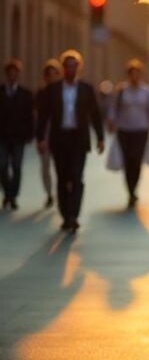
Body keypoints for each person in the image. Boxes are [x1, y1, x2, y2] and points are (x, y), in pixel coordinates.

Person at [36, 50, 104, 232]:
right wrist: (41, 138)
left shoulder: (86, 89)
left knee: (76, 178)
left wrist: (100, 138)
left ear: (78, 68)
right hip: (59, 139)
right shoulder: (53, 90)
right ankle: (65, 215)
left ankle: (73, 215)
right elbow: (44, 116)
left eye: (74, 66)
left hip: (79, 140)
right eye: (67, 66)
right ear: (63, 68)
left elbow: (95, 115)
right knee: (62, 178)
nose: (70, 69)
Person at [107, 59, 149, 207]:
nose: (135, 77)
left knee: (136, 160)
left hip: (141, 131)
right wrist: (111, 121)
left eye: (137, 74)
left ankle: (134, 187)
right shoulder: (121, 91)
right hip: (124, 131)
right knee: (127, 160)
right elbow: (113, 108)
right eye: (132, 74)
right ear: (128, 75)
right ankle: (130, 190)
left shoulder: (147, 92)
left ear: (141, 75)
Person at [0, 58, 34, 210]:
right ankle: (7, 193)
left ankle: (13, 196)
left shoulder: (25, 94)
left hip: (19, 137)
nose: (12, 76)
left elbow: (30, 116)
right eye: (10, 73)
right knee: (2, 166)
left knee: (17, 166)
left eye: (15, 73)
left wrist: (30, 134)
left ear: (18, 75)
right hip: (2, 136)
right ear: (7, 75)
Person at [36, 60, 61, 208]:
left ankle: (60, 192)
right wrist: (40, 138)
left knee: (61, 167)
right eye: (48, 75)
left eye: (54, 75)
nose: (51, 78)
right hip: (46, 134)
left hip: (61, 135)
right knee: (45, 166)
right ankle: (49, 194)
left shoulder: (63, 92)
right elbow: (39, 117)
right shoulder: (41, 94)